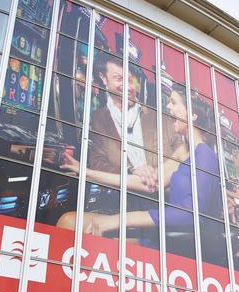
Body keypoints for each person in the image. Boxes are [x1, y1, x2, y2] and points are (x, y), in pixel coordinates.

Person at [61, 88, 220, 238]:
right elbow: (149, 183)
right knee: (69, 221)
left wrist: (118, 220)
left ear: (192, 115)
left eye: (174, 102)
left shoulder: (205, 155)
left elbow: (189, 214)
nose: (168, 106)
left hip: (172, 241)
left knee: (72, 223)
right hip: (163, 230)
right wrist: (85, 172)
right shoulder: (183, 151)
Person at [60, 54, 169, 196]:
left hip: (159, 196)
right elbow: (97, 162)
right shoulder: (99, 117)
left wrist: (155, 173)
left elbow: (174, 160)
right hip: (122, 194)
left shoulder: (155, 116)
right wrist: (131, 170)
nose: (128, 87)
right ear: (103, 78)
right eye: (118, 79)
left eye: (130, 80)